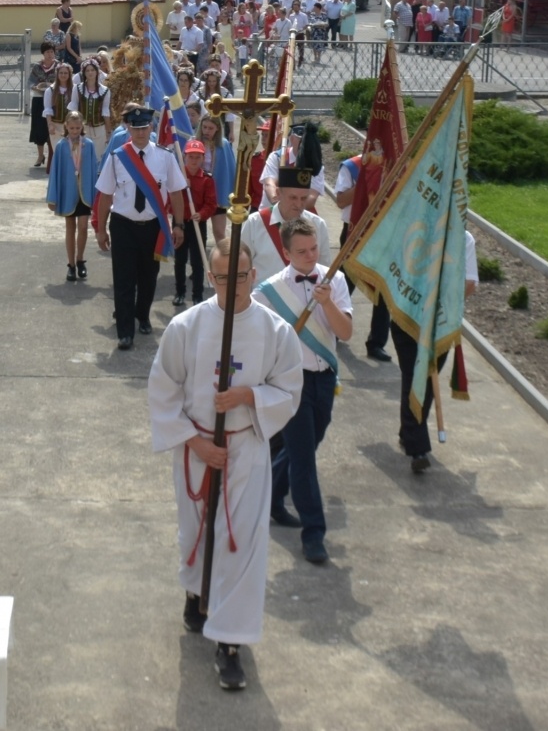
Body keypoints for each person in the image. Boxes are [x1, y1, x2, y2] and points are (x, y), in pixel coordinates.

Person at [149, 245, 304, 691]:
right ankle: (196, 590)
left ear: (253, 275)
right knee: (196, 529)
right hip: (197, 445)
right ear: (210, 277)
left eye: (239, 276)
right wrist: (196, 442)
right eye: (221, 277)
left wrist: (248, 396)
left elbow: (288, 391)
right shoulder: (187, 327)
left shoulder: (275, 331)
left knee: (240, 543)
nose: (231, 286)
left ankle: (230, 643)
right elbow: (163, 390)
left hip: (246, 447)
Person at [253, 217, 352, 564]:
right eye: (302, 252)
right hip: (291, 383)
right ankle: (314, 533)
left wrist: (327, 303)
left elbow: (346, 333)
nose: (311, 256)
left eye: (314, 249)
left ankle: (271, 496)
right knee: (305, 460)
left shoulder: (335, 279)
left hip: (325, 379)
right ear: (286, 253)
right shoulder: (267, 293)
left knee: (306, 445)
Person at [97, 106, 188, 349]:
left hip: (153, 227)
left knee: (148, 276)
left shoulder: (165, 157)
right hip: (123, 225)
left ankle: (143, 314)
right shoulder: (117, 157)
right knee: (123, 278)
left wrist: (178, 225)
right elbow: (105, 195)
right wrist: (100, 229)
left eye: (144, 128)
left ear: (151, 128)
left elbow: (176, 193)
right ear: (128, 128)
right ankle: (125, 331)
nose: (140, 133)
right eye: (135, 128)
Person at [392, 230, 479, 473]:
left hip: (440, 324)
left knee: (428, 381)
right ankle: (417, 448)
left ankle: (408, 431)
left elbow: (470, 283)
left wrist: (441, 303)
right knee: (415, 376)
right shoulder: (411, 226)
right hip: (407, 318)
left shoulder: (464, 239)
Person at [332, 137, 393, 361]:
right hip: (354, 231)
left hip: (383, 233)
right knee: (344, 282)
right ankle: (334, 329)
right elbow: (341, 200)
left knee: (382, 288)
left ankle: (376, 343)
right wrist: (367, 181)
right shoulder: (352, 166)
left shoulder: (394, 167)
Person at [244, 147, 329, 276]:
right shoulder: (254, 223)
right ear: (278, 193)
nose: (299, 204)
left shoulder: (318, 225)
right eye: (293, 198)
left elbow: (325, 270)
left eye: (303, 198)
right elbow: (241, 266)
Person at [47, 111, 98, 283]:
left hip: (84, 192)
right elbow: (55, 172)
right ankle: (71, 265)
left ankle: (80, 259)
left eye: (77, 128)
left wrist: (96, 195)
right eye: (71, 128)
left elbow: (93, 170)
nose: (75, 131)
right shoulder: (61, 146)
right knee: (70, 227)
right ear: (66, 127)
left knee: (83, 227)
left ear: (82, 126)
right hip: (68, 192)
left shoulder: (88, 145)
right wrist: (52, 197)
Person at [174, 140, 219, 308]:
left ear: (203, 158)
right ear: (185, 157)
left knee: (197, 261)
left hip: (197, 223)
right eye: (191, 157)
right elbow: (170, 201)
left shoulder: (207, 179)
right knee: (179, 260)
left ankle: (197, 295)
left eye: (197, 157)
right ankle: (180, 292)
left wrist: (201, 214)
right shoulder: (177, 177)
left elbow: (211, 204)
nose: (193, 161)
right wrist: (182, 186)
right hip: (180, 222)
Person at [196, 113, 235, 245]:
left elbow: (229, 170)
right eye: (204, 127)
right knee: (198, 232)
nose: (206, 131)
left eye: (210, 128)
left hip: (217, 192)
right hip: (199, 192)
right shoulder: (195, 143)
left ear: (217, 128)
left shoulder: (224, 145)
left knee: (219, 232)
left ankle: (223, 256)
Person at [69, 59, 112, 150]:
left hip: (99, 129)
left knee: (98, 154)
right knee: (82, 154)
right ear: (84, 73)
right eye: (87, 70)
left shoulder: (105, 90)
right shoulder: (77, 88)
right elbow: (73, 109)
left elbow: (105, 111)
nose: (90, 73)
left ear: (97, 72)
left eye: (92, 70)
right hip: (81, 128)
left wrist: (108, 131)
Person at [42, 61, 76, 169]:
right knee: (59, 152)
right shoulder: (50, 90)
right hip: (56, 126)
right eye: (61, 73)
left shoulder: (75, 89)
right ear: (57, 74)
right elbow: (48, 109)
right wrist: (50, 124)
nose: (63, 75)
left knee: (71, 153)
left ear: (69, 74)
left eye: (65, 73)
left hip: (71, 127)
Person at [28, 47, 57, 168]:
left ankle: (53, 157)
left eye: (51, 52)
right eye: (47, 52)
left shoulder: (58, 66)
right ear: (43, 53)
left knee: (53, 128)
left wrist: (52, 85)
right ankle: (40, 155)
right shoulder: (37, 67)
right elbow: (30, 81)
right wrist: (35, 87)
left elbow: (64, 80)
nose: (49, 54)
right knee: (39, 128)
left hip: (54, 100)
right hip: (39, 99)